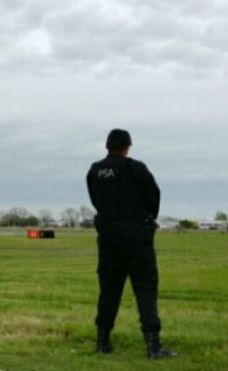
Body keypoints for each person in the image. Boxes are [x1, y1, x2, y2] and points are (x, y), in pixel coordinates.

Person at [86, 128, 177, 359]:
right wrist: (145, 218)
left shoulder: (95, 171)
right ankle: (153, 345)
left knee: (109, 289)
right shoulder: (135, 168)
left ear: (107, 146)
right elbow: (153, 195)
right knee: (145, 288)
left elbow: (95, 200)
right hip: (136, 235)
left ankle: (102, 341)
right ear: (127, 147)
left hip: (108, 235)